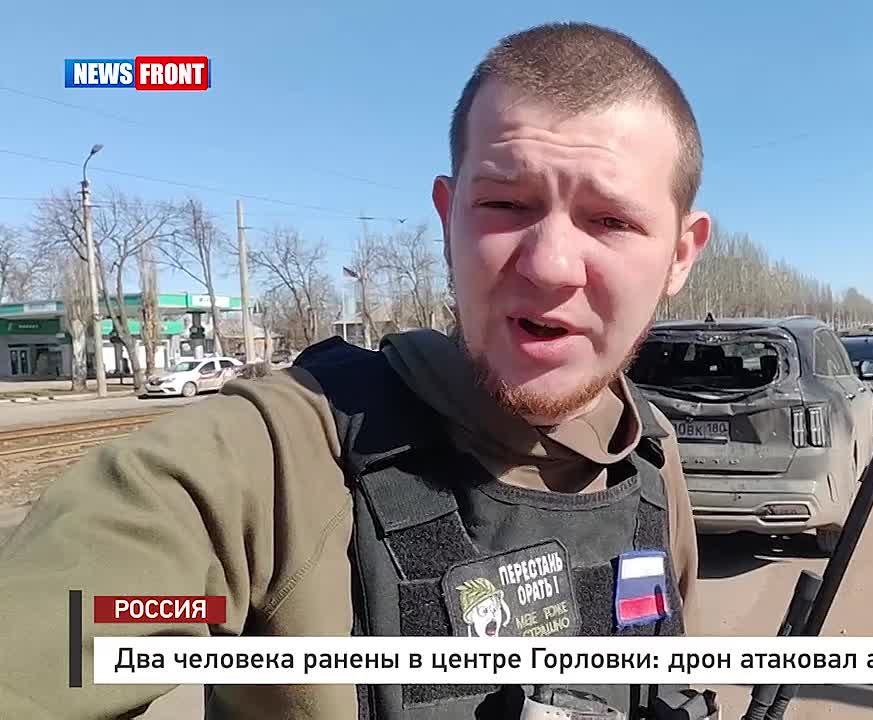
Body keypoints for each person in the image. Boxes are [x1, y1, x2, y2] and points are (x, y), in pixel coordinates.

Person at [0, 21, 712, 720]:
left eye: (611, 220)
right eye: (504, 204)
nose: (550, 264)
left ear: (680, 255)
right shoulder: (274, 461)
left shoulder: (647, 456)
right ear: (448, 220)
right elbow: (66, 628)